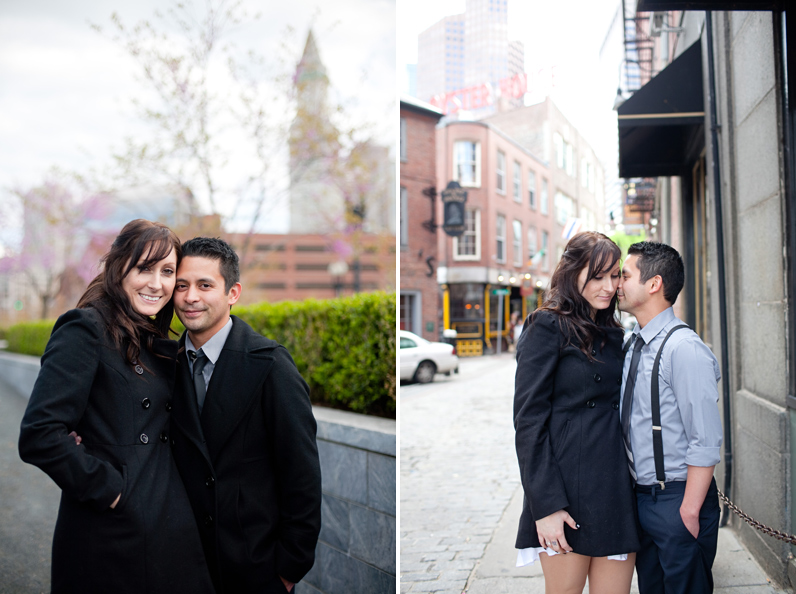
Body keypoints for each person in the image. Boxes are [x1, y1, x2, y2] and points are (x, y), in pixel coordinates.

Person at [18, 219, 214, 594]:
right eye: (144, 268)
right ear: (118, 267)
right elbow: (40, 434)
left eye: (167, 271)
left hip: (167, 531)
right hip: (111, 536)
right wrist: (114, 490)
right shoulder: (86, 329)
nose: (156, 283)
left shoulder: (155, 340)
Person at [169, 237, 322, 594]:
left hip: (255, 569)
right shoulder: (164, 365)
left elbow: (302, 474)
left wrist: (288, 569)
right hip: (182, 565)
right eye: (182, 285)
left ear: (232, 293)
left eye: (205, 285)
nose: (191, 297)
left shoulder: (270, 365)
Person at [514, 231, 640, 594]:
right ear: (572, 272)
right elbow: (528, 421)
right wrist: (546, 505)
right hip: (563, 486)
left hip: (614, 486)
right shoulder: (546, 325)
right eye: (597, 276)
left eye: (614, 275)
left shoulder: (615, 334)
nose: (608, 286)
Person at [617, 241, 722, 594]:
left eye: (625, 274)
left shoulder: (684, 349)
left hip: (677, 499)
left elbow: (705, 439)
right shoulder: (634, 345)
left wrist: (688, 511)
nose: (617, 283)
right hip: (642, 500)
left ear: (653, 284)